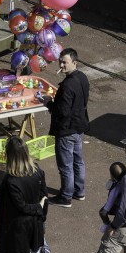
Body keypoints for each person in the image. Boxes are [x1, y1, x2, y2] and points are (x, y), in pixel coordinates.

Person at [0, 136, 48, 253]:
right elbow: (44, 197)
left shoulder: (11, 180)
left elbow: (21, 206)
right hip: (33, 224)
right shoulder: (38, 172)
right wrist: (41, 215)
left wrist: (37, 209)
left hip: (14, 225)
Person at [42, 48, 90, 208]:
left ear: (74, 62)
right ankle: (79, 191)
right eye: (60, 61)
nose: (61, 65)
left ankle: (66, 196)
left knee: (66, 165)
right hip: (79, 125)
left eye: (65, 62)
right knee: (78, 161)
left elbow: (62, 111)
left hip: (66, 129)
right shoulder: (82, 77)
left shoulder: (68, 85)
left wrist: (48, 102)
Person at [100, 162, 126, 230]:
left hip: (119, 208)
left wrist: (105, 212)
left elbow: (109, 203)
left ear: (111, 175)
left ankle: (107, 225)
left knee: (102, 212)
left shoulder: (115, 188)